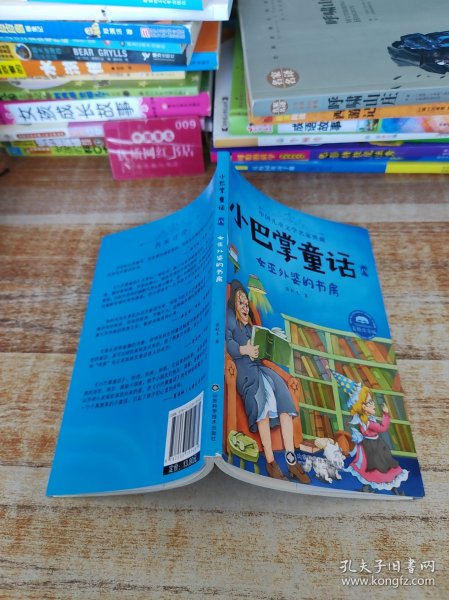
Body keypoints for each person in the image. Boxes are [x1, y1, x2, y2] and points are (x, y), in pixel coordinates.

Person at [225, 280, 310, 484]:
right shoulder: (230, 319)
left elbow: (261, 352)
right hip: (245, 372)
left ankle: (291, 459)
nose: (245, 306)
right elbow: (228, 343)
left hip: (260, 367)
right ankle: (271, 462)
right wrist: (244, 349)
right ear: (234, 304)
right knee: (261, 402)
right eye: (240, 302)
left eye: (246, 303)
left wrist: (268, 348)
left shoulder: (251, 324)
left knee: (283, 398)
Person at [332, 371, 409, 494]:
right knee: (379, 467)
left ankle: (379, 488)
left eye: (372, 401)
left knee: (378, 467)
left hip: (373, 445)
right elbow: (383, 428)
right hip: (373, 448)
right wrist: (386, 414)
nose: (373, 405)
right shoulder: (367, 422)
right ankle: (389, 489)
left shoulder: (367, 418)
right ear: (362, 406)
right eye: (370, 403)